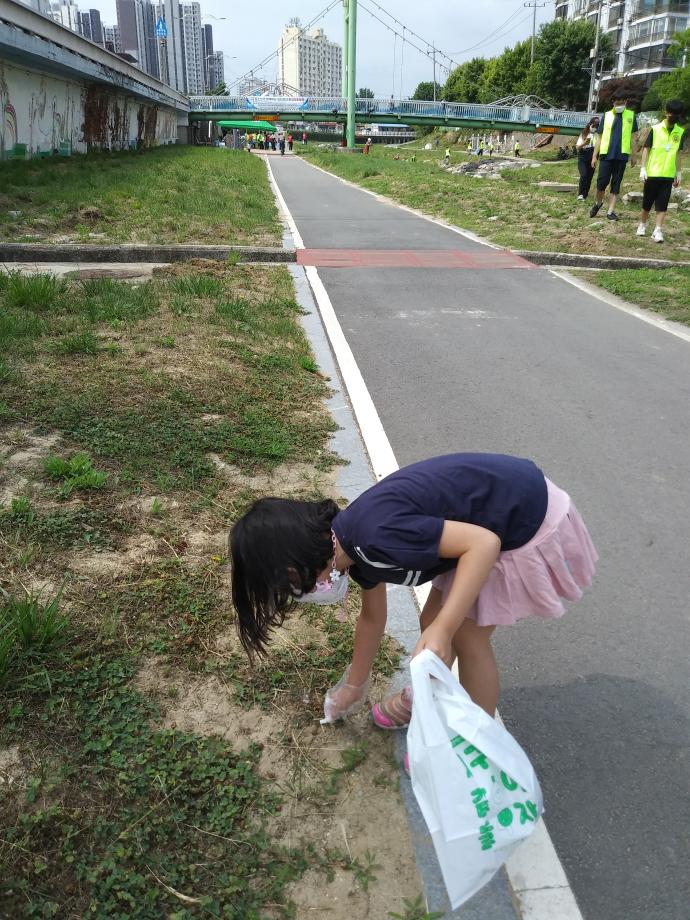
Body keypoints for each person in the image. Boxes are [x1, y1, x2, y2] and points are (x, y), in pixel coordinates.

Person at [230, 453, 597, 724]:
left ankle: (475, 745)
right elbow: (372, 619)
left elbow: (483, 545)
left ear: (295, 569)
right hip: (480, 526)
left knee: (465, 637)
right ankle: (428, 699)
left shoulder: (376, 538)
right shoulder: (349, 551)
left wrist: (444, 628)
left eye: (291, 587)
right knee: (432, 617)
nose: (299, 595)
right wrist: (354, 687)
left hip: (520, 514)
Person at [636, 99, 685, 244]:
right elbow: (646, 149)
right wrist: (643, 168)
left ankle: (657, 230)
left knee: (662, 204)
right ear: (667, 113)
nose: (673, 117)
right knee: (647, 203)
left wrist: (678, 172)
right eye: (671, 114)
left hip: (668, 174)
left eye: (676, 115)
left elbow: (678, 154)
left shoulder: (680, 132)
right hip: (653, 172)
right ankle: (642, 225)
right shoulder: (655, 129)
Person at [590, 94, 639, 221]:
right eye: (617, 103)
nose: (619, 105)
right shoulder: (606, 115)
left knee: (616, 184)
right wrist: (594, 156)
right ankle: (598, 203)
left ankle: (610, 211)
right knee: (601, 184)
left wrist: (634, 155)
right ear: (613, 103)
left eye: (622, 103)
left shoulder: (631, 116)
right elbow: (599, 137)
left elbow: (634, 137)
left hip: (621, 155)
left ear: (626, 102)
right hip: (606, 154)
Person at [575, 117, 600, 200]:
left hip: (593, 156)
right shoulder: (584, 133)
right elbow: (577, 147)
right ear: (590, 124)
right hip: (583, 156)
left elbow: (598, 147)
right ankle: (580, 194)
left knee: (589, 177)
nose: (595, 128)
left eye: (597, 126)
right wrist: (584, 143)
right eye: (594, 125)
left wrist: (595, 157)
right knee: (584, 175)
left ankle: (585, 195)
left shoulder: (598, 135)